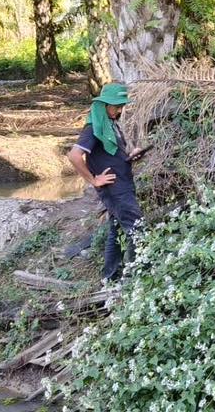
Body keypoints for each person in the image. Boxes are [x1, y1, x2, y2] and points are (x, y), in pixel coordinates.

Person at [67, 82, 147, 281]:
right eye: (115, 106)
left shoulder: (109, 124)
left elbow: (111, 154)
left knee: (117, 230)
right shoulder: (93, 126)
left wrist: (130, 155)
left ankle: (109, 278)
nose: (119, 110)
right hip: (114, 189)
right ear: (103, 105)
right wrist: (94, 179)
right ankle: (137, 278)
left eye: (121, 106)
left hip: (123, 183)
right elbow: (74, 156)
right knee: (137, 228)